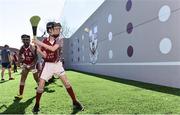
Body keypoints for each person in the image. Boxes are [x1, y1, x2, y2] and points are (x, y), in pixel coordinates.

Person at [32, 22, 83, 113]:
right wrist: (38, 48)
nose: (58, 30)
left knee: (67, 83)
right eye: (56, 29)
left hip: (58, 64)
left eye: (59, 29)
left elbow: (53, 49)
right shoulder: (45, 41)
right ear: (50, 30)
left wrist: (38, 42)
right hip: (47, 65)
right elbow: (45, 55)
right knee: (40, 86)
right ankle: (37, 104)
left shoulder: (60, 39)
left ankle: (75, 101)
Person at [14, 34, 39, 99]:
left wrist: (31, 65)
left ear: (29, 40)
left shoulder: (33, 47)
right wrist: (19, 63)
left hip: (33, 65)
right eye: (24, 39)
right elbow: (19, 55)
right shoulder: (22, 47)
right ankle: (20, 94)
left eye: (27, 39)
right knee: (22, 79)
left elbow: (36, 58)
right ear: (22, 40)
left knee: (36, 78)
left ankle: (40, 88)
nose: (25, 41)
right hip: (25, 65)